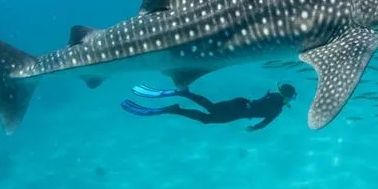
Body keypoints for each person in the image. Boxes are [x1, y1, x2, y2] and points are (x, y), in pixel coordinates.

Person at [121, 82, 297, 132]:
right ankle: (176, 109)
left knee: (211, 108)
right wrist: (254, 128)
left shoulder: (275, 98)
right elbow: (266, 120)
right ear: (287, 97)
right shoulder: (277, 106)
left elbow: (261, 107)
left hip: (239, 103)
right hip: (238, 111)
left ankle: (185, 93)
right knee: (207, 118)